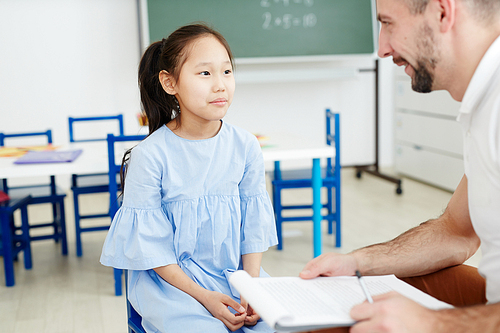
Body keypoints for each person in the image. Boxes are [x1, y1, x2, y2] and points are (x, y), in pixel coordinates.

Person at [299, 0, 500, 332]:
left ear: (442, 12)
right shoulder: (483, 102)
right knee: (348, 309)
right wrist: (357, 263)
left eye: (389, 23)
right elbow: (456, 233)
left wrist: (434, 324)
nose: (382, 48)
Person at [100, 24, 278, 333]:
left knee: (280, 326)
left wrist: (251, 290)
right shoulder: (150, 156)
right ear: (170, 83)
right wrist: (205, 298)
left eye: (227, 71)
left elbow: (253, 228)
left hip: (235, 277)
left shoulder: (246, 146)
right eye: (205, 74)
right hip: (173, 287)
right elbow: (152, 250)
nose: (220, 85)